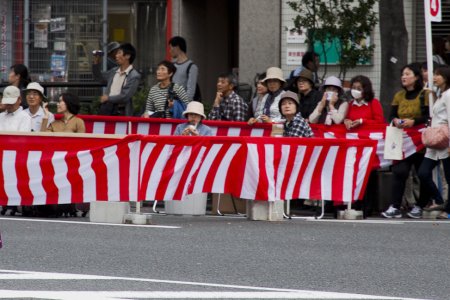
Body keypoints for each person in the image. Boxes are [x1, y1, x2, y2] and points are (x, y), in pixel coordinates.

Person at [381, 63, 431, 219]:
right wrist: (395, 121)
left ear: (416, 77)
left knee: (423, 174)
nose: (404, 77)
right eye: (403, 74)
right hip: (402, 141)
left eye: (408, 74)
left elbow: (429, 116)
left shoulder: (426, 94)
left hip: (421, 141)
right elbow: (391, 115)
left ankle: (421, 205)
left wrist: (413, 122)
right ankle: (395, 206)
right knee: (399, 172)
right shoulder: (399, 96)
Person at [416, 66, 450, 219]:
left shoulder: (449, 95)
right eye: (434, 74)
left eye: (438, 75)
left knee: (449, 176)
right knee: (423, 172)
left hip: (444, 139)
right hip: (435, 140)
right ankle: (440, 200)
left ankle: (447, 209)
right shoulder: (441, 95)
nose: (435, 77)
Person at [92, 42, 141, 116]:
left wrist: (108, 98)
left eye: (119, 53)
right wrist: (96, 62)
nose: (116, 56)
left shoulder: (134, 76)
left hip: (121, 112)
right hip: (107, 109)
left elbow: (125, 96)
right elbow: (100, 78)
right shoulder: (114, 71)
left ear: (127, 56)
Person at [169, 36, 200, 101]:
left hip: (182, 106)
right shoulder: (172, 65)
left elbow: (190, 93)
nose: (169, 51)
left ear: (177, 47)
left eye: (171, 47)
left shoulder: (191, 67)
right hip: (171, 104)